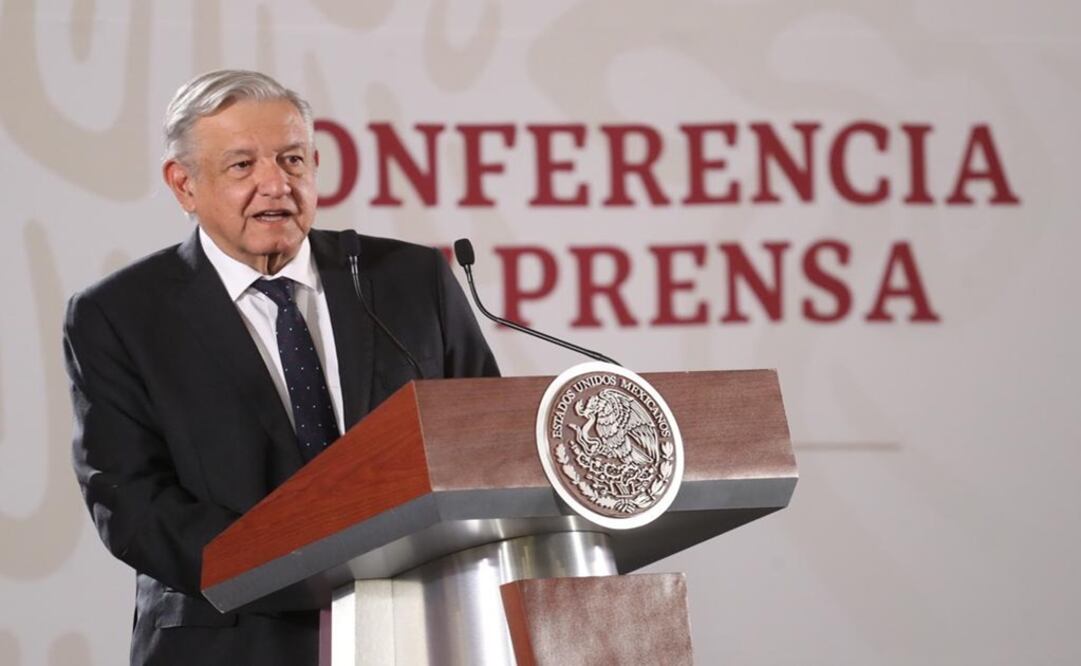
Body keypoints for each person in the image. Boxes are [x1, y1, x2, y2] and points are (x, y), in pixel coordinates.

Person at [63, 70, 499, 665]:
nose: (276, 183)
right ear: (183, 185)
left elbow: (485, 446)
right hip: (231, 639)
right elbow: (132, 503)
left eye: (292, 160)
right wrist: (312, 568)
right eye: (242, 166)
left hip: (418, 631)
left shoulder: (408, 281)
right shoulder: (120, 316)